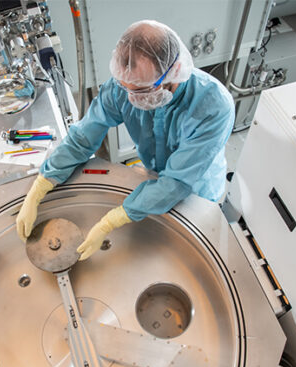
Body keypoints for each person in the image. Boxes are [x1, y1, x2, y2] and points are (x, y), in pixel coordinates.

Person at [16, 19, 235, 260]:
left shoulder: (213, 106)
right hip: (154, 176)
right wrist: (43, 183)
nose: (131, 98)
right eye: (126, 87)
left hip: (197, 193)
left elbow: (176, 183)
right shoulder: (121, 88)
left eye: (141, 91)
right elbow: (82, 138)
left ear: (173, 73)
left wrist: (113, 220)